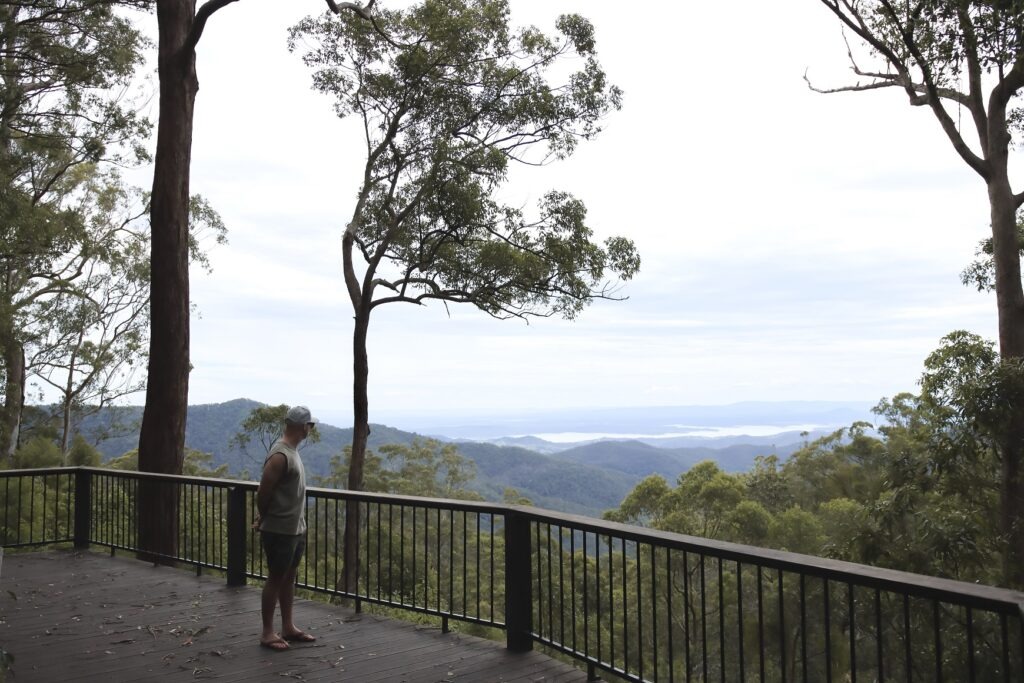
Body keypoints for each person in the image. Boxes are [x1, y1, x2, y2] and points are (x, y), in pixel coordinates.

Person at [255, 405, 317, 651]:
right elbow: (264, 492)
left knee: (288, 577)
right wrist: (263, 517)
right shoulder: (280, 455)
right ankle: (267, 632)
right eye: (310, 425)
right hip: (280, 530)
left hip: (294, 528)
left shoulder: (292, 452)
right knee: (275, 578)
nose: (310, 429)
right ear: (303, 427)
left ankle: (288, 627)